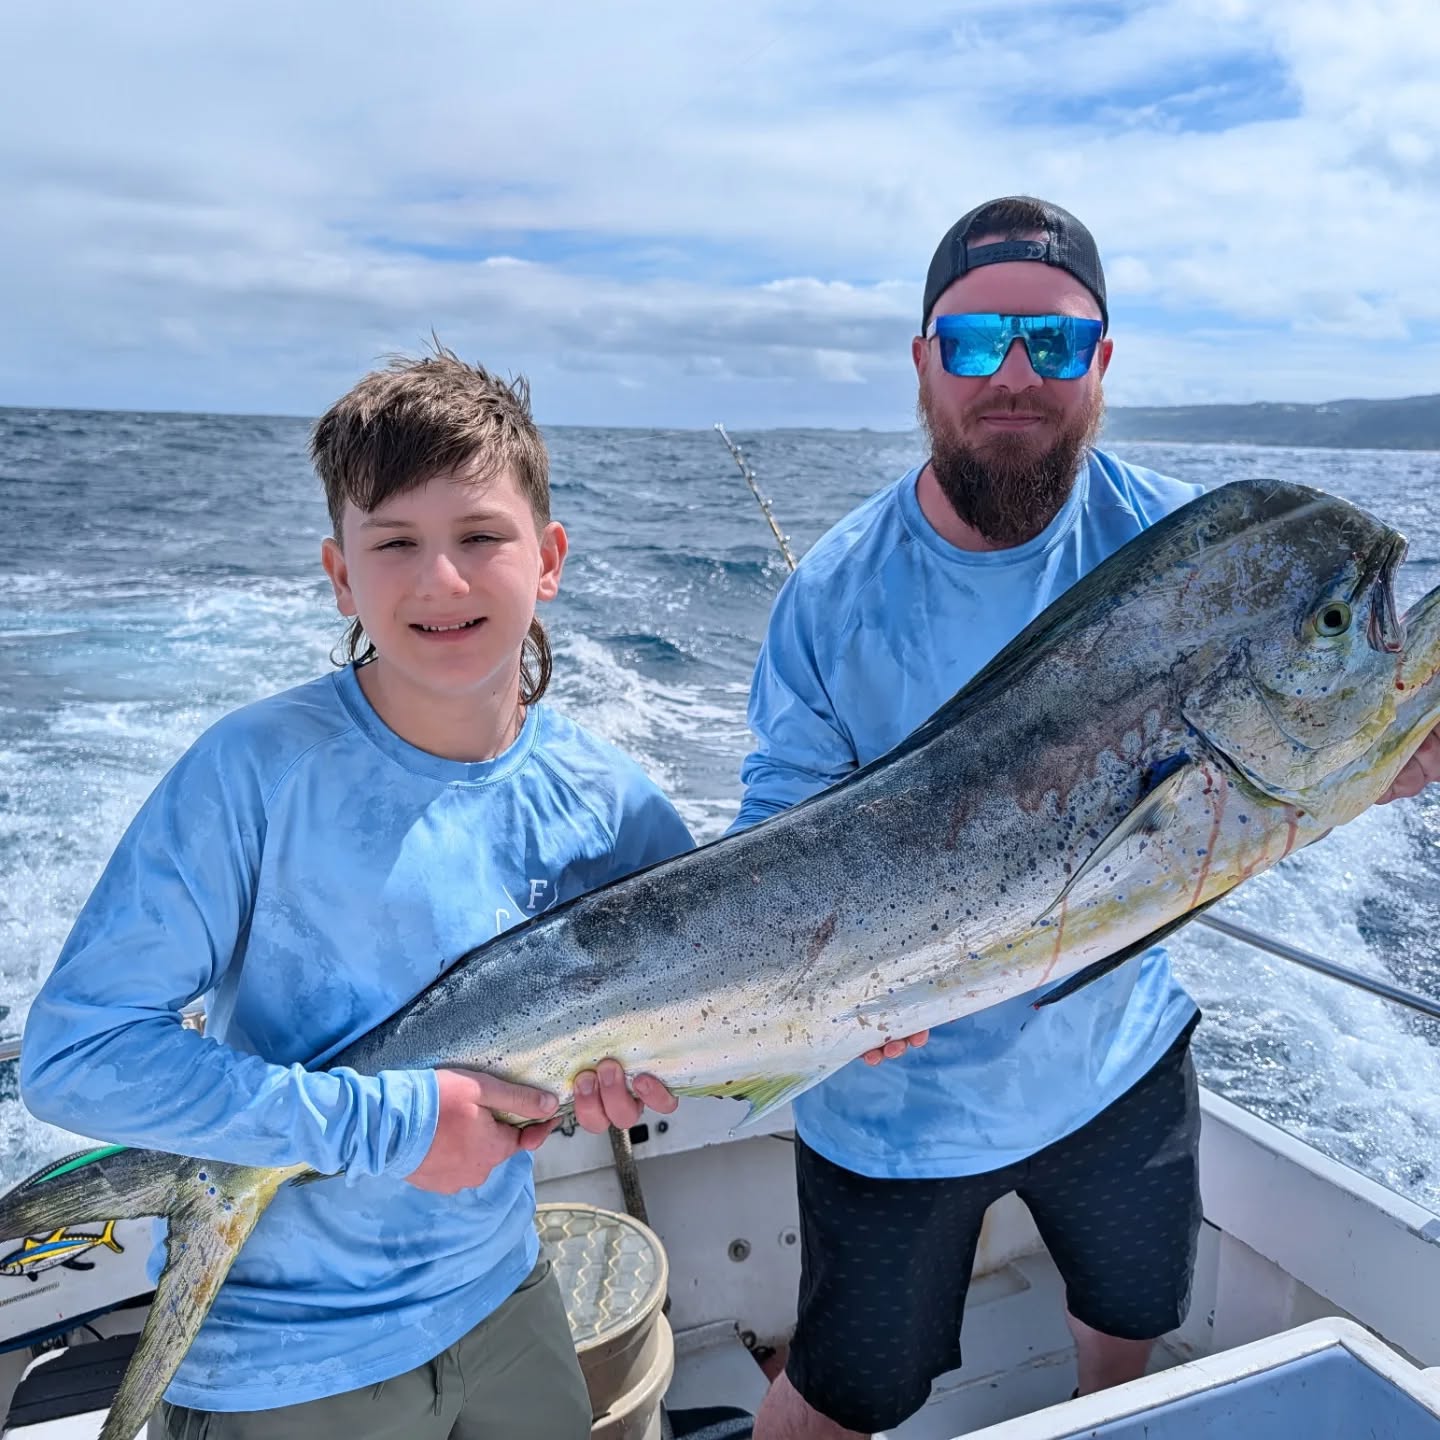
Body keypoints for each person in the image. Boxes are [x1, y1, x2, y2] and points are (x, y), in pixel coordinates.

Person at [734, 196, 1440, 1440]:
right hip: (893, 1099)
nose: (1014, 375)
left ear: (1102, 364)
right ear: (921, 363)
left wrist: (1371, 763)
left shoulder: (1192, 554)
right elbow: (778, 831)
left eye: (1054, 344)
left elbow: (1256, 783)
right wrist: (822, 989)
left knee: (1130, 1329)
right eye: (974, 342)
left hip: (1116, 1063)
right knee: (844, 1400)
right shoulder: (831, 593)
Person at [20, 347, 691, 1439]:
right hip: (284, 1357)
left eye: (481, 536)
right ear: (341, 575)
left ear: (551, 557)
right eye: (396, 544)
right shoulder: (250, 774)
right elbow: (76, 1054)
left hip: (503, 1298)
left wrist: (850, 1022)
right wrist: (396, 1124)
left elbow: (719, 1003)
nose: (441, 580)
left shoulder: (616, 808)